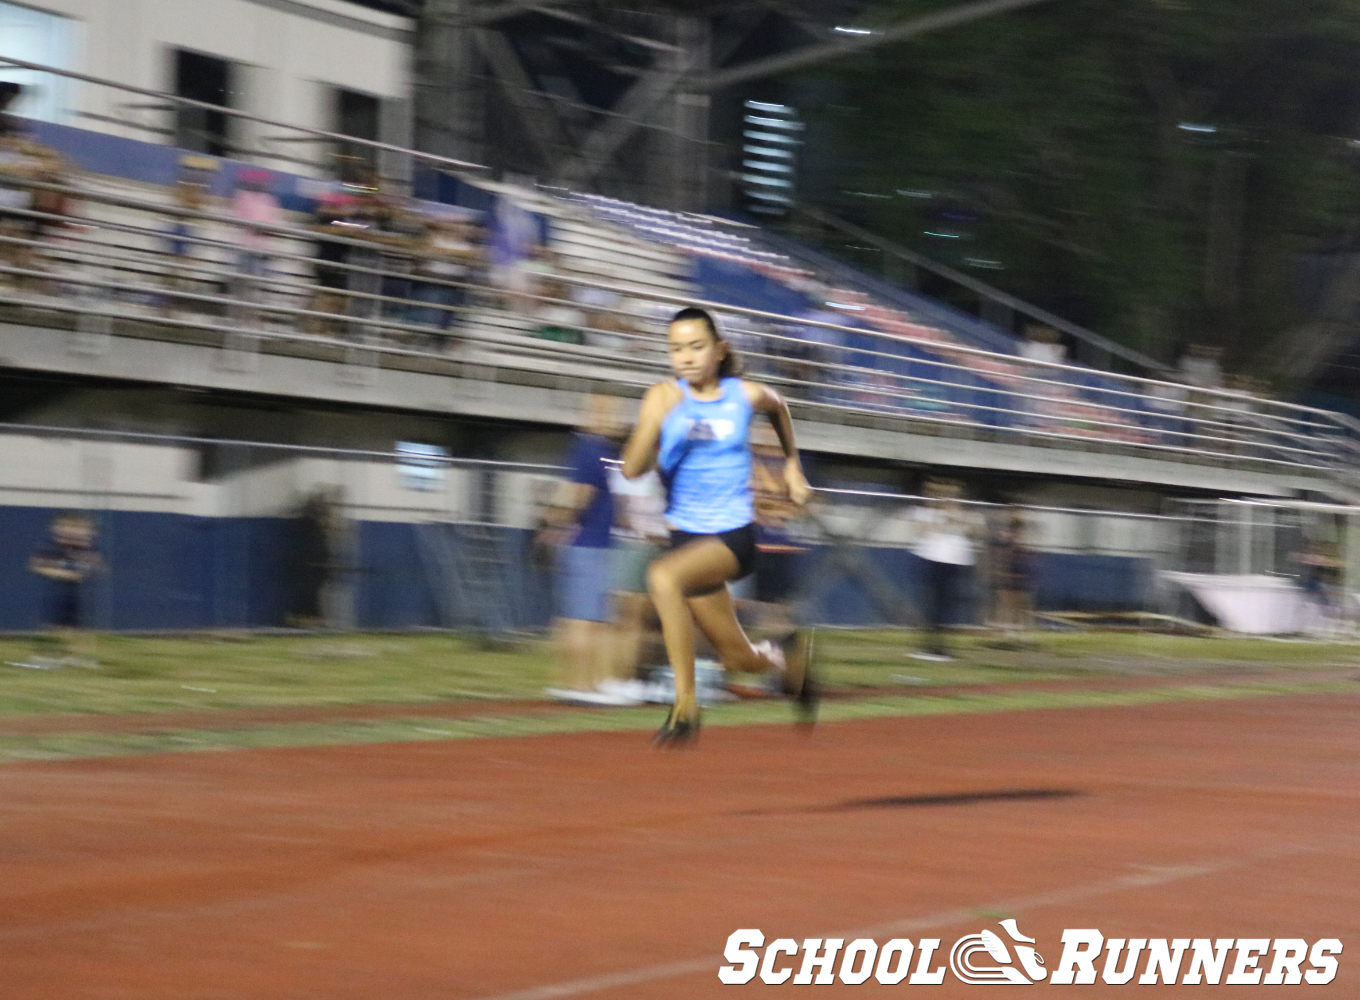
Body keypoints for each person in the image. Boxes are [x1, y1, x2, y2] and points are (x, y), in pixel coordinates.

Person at [620, 306, 816, 745]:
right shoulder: (661, 397)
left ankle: (685, 705)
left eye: (696, 346)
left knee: (662, 576)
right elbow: (632, 468)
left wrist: (792, 468)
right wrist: (656, 422)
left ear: (719, 349)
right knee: (737, 658)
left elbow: (779, 406)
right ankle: (786, 657)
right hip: (688, 540)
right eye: (676, 348)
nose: (685, 357)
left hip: (733, 535)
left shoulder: (741, 395)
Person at [540, 394, 624, 703]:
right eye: (604, 413)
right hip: (589, 544)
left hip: (589, 544)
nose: (609, 419)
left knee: (579, 618)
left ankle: (572, 682)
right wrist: (560, 524)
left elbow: (574, 495)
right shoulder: (592, 449)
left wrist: (554, 526)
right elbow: (580, 497)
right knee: (585, 620)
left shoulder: (594, 450)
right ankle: (581, 685)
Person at [909, 478, 983, 661]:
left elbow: (977, 530)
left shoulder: (963, 512)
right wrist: (947, 521)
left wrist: (957, 519)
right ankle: (930, 645)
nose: (948, 498)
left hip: (953, 561)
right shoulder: (924, 511)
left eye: (953, 495)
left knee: (947, 605)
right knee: (932, 604)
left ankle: (940, 646)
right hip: (932, 559)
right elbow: (922, 530)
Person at [25, 512, 104, 668]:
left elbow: (96, 564)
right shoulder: (52, 547)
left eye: (80, 527)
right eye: (68, 526)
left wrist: (90, 567)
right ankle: (42, 656)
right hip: (59, 592)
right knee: (52, 625)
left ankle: (79, 657)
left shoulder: (86, 548)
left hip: (78, 594)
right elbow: (36, 565)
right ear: (57, 528)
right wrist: (63, 573)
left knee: (81, 628)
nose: (74, 531)